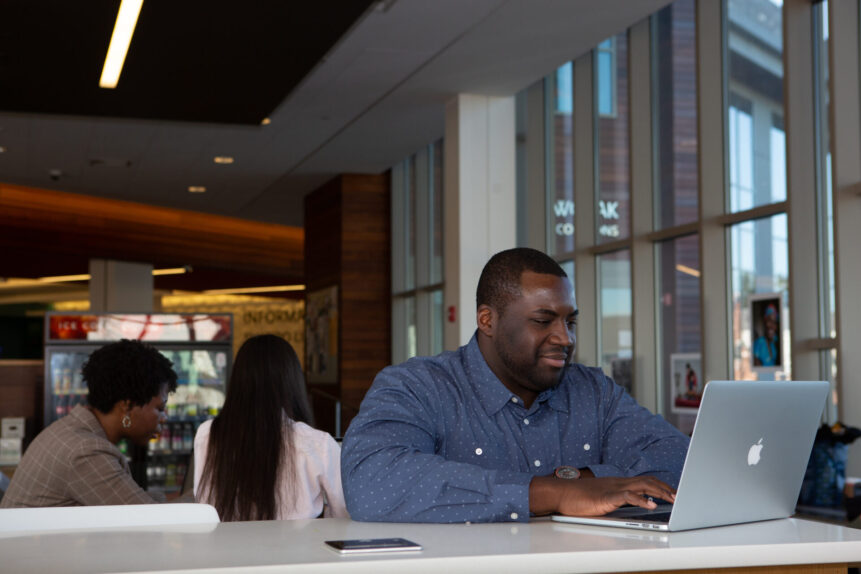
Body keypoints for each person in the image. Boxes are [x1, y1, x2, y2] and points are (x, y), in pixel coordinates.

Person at [341, 247, 690, 523]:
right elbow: (372, 482)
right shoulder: (418, 386)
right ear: (487, 320)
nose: (565, 338)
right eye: (543, 320)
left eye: (571, 321)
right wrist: (551, 494)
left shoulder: (594, 391)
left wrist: (583, 480)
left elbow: (681, 459)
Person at [1, 339, 177, 508]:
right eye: (160, 408)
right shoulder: (86, 452)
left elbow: (132, 502)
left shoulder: (71, 430)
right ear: (127, 406)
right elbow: (145, 518)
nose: (164, 418)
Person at [194, 334, 348, 521]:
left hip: (224, 549)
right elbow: (344, 513)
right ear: (292, 381)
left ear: (237, 380)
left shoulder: (208, 433)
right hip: (302, 550)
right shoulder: (318, 444)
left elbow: (204, 503)